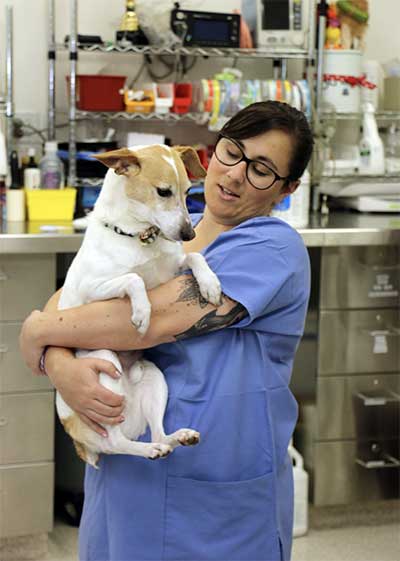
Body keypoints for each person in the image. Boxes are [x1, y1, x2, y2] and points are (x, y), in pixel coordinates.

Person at [20, 100, 314, 561]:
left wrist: (39, 331)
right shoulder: (164, 230)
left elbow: (148, 322)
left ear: (288, 188)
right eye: (232, 152)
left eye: (261, 169)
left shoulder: (272, 249)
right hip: (128, 472)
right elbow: (77, 294)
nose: (235, 174)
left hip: (214, 496)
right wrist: (59, 362)